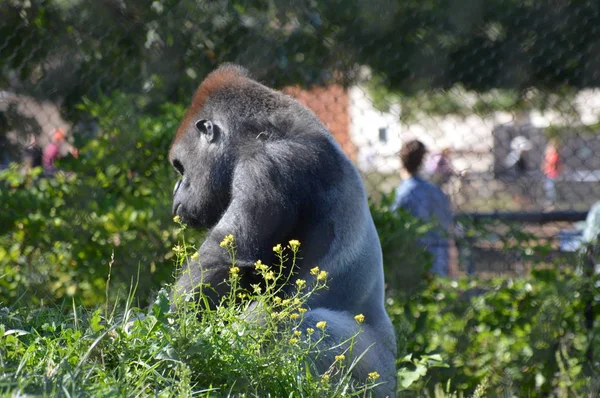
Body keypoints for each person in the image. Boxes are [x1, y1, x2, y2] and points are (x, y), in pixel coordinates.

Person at [391, 140, 453, 277]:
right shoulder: (437, 192)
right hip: (438, 262)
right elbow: (448, 231)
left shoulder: (402, 193)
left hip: (411, 265)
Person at [542, 138, 561, 208]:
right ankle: (550, 203)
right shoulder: (549, 155)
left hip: (552, 174)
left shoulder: (555, 155)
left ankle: (551, 203)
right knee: (549, 188)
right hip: (548, 174)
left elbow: (553, 164)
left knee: (551, 189)